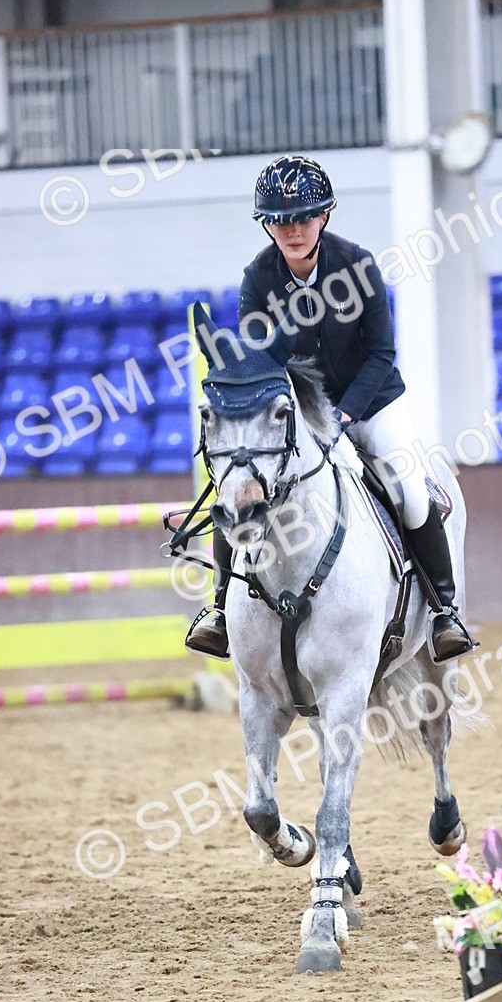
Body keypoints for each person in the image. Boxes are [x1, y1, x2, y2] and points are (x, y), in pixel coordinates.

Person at [186, 153, 474, 664]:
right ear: (267, 225)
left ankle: (444, 611)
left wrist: (346, 416)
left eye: (303, 217)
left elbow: (382, 353)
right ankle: (220, 613)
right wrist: (304, 417)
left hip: (374, 402)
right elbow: (259, 364)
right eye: (279, 220)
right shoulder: (258, 278)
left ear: (324, 216)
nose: (292, 230)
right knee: (241, 488)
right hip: (303, 412)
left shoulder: (358, 266)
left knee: (409, 492)